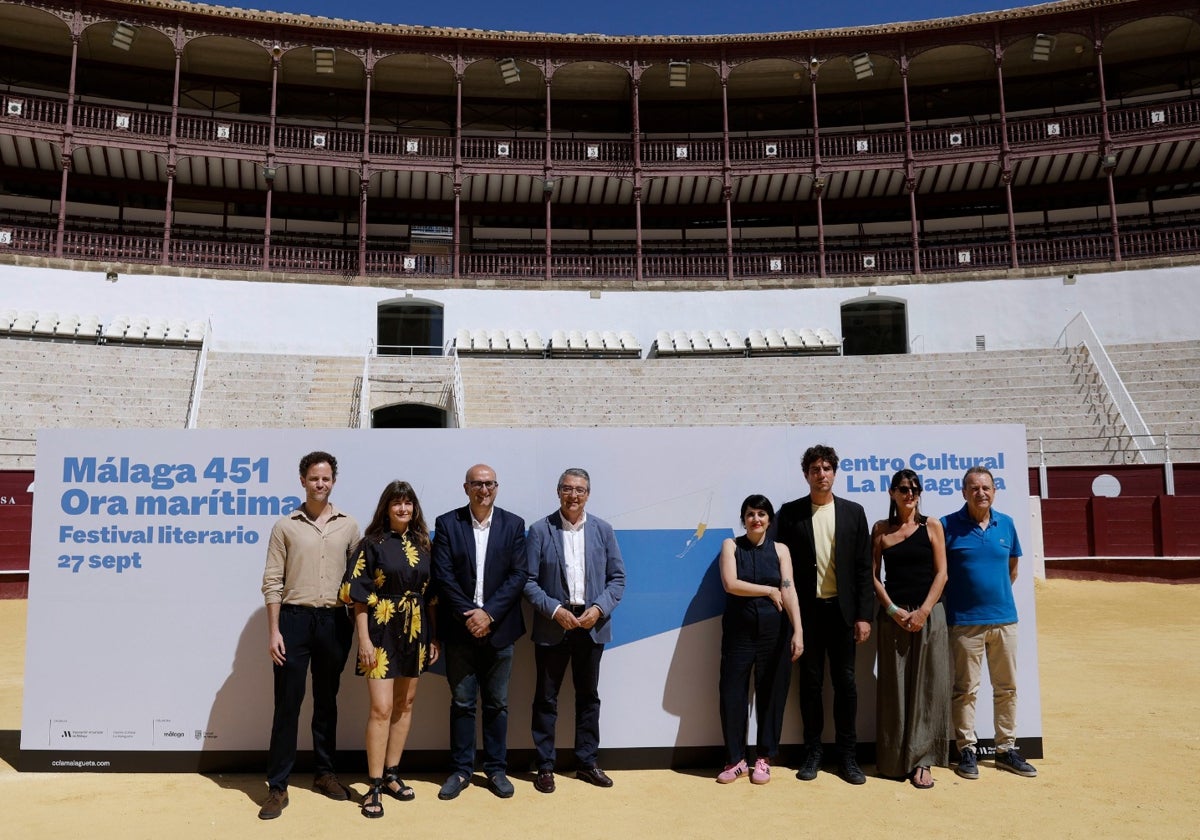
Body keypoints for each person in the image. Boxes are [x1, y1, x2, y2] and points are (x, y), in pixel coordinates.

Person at [259, 451, 361, 820]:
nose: (321, 483)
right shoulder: (285, 525)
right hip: (294, 621)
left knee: (327, 701)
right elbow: (271, 582)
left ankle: (325, 774)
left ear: (333, 481)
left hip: (335, 622)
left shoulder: (349, 526)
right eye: (315, 478)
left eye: (327, 478)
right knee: (287, 704)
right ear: (302, 480)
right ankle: (277, 786)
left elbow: (359, 581)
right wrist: (274, 631)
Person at [774, 444, 873, 785]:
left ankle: (847, 756)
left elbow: (863, 568)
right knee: (811, 685)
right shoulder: (789, 514)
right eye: (815, 469)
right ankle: (813, 751)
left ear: (835, 472)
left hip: (844, 615)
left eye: (827, 468)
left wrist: (864, 615)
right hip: (807, 615)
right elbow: (781, 567)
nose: (821, 474)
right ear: (806, 475)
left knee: (846, 685)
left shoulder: (854, 513)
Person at [340, 481, 439, 818]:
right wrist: (364, 641)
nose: (403, 509)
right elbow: (357, 595)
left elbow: (433, 597)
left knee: (405, 704)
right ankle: (374, 785)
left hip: (416, 630)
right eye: (396, 503)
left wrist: (433, 637)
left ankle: (393, 774)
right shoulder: (371, 544)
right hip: (380, 630)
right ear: (386, 507)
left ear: (414, 508)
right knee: (381, 708)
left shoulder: (425, 543)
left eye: (408, 503)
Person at [524, 468, 626, 793]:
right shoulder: (540, 530)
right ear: (558, 492)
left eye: (580, 490)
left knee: (588, 698)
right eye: (567, 489)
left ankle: (587, 762)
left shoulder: (604, 530)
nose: (573, 495)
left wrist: (598, 609)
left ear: (588, 494)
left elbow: (618, 579)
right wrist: (555, 610)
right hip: (555, 625)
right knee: (546, 699)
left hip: (591, 625)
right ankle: (545, 766)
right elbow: (527, 581)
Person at [431, 464, 528, 800]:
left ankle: (496, 769)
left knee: (497, 705)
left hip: (500, 630)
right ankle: (460, 770)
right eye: (477, 484)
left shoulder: (514, 524)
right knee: (462, 703)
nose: (483, 490)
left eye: (489, 484)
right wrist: (470, 616)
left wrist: (488, 614)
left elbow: (518, 576)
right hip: (460, 631)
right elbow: (443, 576)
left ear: (496, 487)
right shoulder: (447, 523)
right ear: (466, 487)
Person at [942, 466, 1038, 780]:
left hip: (1004, 620)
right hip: (965, 623)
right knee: (965, 690)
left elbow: (1012, 569)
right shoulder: (946, 526)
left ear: (994, 490)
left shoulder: (1007, 525)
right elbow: (940, 574)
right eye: (974, 488)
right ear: (963, 492)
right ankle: (967, 750)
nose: (980, 493)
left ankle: (1005, 750)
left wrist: (993, 598)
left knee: (1007, 688)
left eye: (986, 487)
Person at [716, 494, 803, 785]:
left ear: (769, 519)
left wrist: (798, 631)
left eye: (762, 514)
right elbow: (731, 584)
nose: (756, 519)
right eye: (751, 514)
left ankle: (764, 758)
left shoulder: (781, 550)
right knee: (732, 695)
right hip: (739, 634)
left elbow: (788, 589)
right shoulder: (731, 546)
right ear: (744, 518)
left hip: (775, 633)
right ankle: (736, 759)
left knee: (772, 696)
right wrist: (768, 591)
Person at [871, 469, 950, 789]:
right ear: (892, 492)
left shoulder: (932, 525)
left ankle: (923, 762)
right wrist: (891, 610)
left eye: (915, 489)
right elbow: (873, 575)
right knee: (895, 689)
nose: (910, 494)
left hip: (929, 615)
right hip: (893, 618)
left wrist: (924, 611)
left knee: (927, 689)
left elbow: (942, 573)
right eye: (903, 489)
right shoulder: (880, 529)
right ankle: (893, 760)